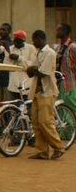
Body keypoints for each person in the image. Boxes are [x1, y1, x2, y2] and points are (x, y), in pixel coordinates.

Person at [26, 29, 65, 160]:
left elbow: (43, 72)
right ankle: (42, 151)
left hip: (47, 92)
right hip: (36, 92)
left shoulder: (50, 53)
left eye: (34, 39)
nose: (33, 42)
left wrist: (34, 69)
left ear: (40, 39)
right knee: (36, 123)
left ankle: (59, 147)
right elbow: (30, 71)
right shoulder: (38, 53)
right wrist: (34, 69)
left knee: (45, 122)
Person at [55, 22, 76, 112]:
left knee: (71, 109)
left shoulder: (72, 47)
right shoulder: (58, 47)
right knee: (61, 110)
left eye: (59, 29)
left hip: (70, 84)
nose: (56, 31)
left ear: (65, 31)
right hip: (59, 84)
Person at [7, 30, 35, 95]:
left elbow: (31, 66)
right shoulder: (10, 49)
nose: (15, 42)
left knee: (26, 104)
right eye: (14, 39)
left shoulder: (31, 48)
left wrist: (19, 58)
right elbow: (7, 65)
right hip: (13, 85)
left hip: (26, 84)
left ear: (23, 40)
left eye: (18, 40)